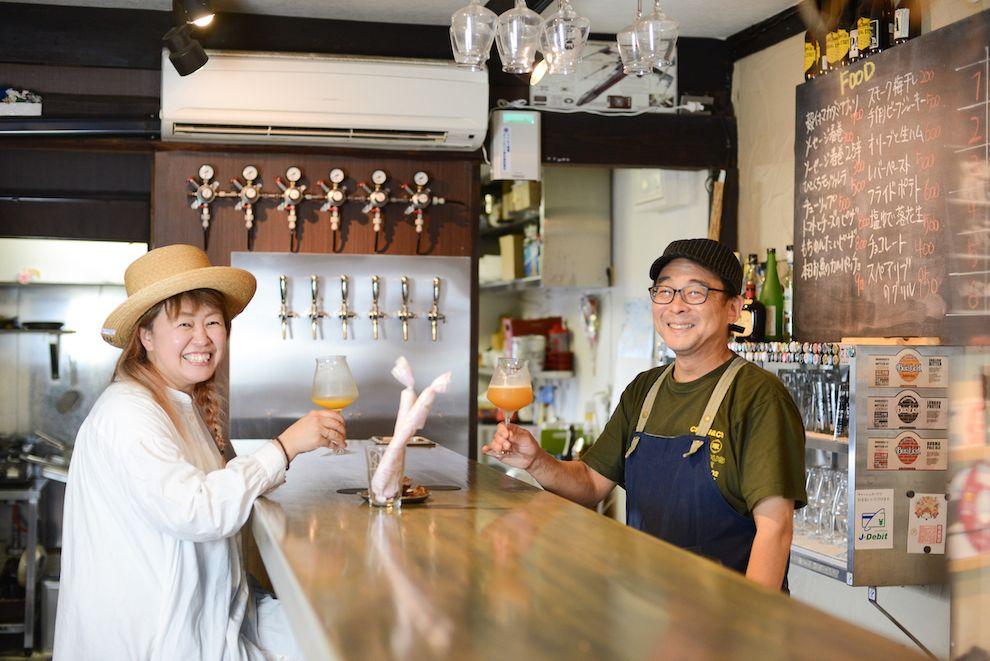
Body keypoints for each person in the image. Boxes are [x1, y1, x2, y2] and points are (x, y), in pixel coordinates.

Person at [54, 244, 345, 659]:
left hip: (206, 620)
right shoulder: (128, 413)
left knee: (331, 636)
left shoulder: (172, 401)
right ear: (146, 336)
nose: (203, 338)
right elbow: (197, 509)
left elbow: (205, 485)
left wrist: (282, 457)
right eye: (185, 324)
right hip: (156, 639)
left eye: (212, 322)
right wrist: (283, 446)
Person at [484, 238, 806, 591]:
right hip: (648, 611)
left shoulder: (758, 397)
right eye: (665, 291)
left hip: (725, 622)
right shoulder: (644, 390)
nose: (676, 307)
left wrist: (751, 629)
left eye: (695, 293)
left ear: (733, 308)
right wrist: (536, 461)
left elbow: (775, 530)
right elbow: (591, 484)